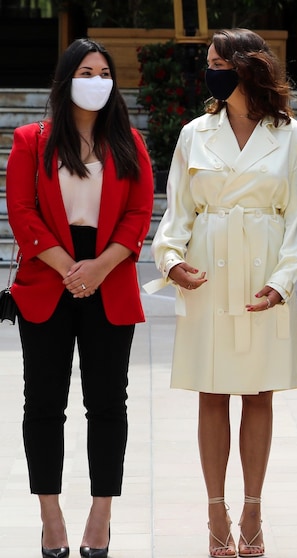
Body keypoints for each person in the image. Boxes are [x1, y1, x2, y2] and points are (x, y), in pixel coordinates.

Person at [147, 28, 297, 558]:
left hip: (263, 271)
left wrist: (283, 283)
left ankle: (253, 507)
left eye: (219, 61)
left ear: (248, 67)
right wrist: (171, 263)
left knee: (259, 392)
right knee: (212, 392)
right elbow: (177, 211)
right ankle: (215, 507)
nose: (210, 70)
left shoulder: (292, 136)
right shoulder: (196, 132)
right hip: (208, 271)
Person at [6, 38, 154, 558]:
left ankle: (101, 513)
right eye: (86, 71)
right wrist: (71, 269)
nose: (97, 79)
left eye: (104, 71)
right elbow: (22, 212)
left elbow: (139, 215)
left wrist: (100, 266)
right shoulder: (32, 140)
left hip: (109, 275)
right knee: (43, 404)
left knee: (108, 404)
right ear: (67, 79)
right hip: (50, 277)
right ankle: (50, 515)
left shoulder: (129, 143)